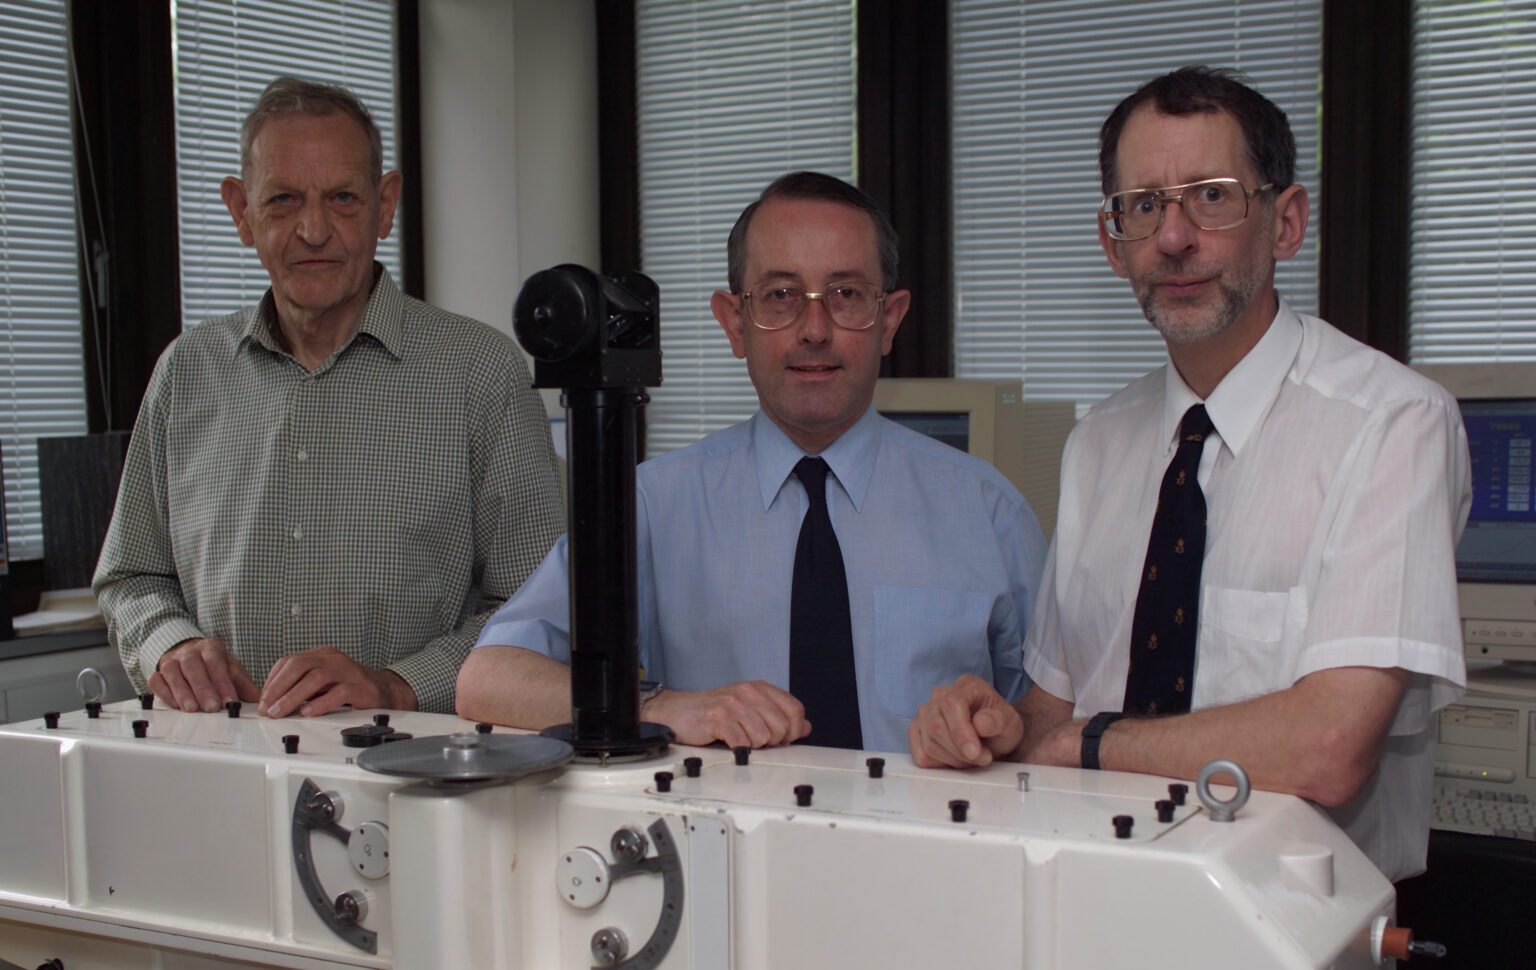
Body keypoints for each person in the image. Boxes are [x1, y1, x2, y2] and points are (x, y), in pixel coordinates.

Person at [907, 66, 1470, 882]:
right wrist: (991, 723)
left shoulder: (1391, 423)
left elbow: (1329, 746)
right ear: (1113, 242)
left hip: (1292, 921)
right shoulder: (1097, 442)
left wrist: (1093, 742)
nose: (1173, 238)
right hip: (1095, 888)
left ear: (1286, 222)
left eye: (1211, 196)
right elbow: (1052, 713)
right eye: (1143, 206)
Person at [457, 171, 1048, 753]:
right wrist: (659, 706)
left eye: (845, 295)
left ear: (888, 319)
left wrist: (1002, 728)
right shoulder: (650, 506)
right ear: (734, 323)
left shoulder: (988, 512)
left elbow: (1045, 721)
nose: (814, 329)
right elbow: (486, 678)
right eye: (781, 296)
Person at [93, 77, 564, 718]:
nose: (314, 230)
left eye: (342, 198)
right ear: (240, 212)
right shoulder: (185, 373)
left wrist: (395, 685)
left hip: (414, 769)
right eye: (283, 200)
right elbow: (132, 578)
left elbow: (537, 608)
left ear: (385, 204)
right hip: (216, 764)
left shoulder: (479, 374)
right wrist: (169, 646)